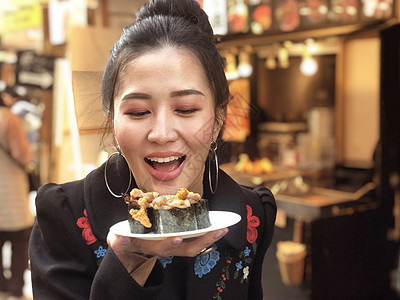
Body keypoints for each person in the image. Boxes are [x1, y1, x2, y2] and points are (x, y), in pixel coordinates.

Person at [29, 0, 277, 299]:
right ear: (113, 120)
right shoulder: (64, 216)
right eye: (137, 112)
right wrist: (129, 260)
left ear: (218, 118)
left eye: (185, 109)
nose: (161, 134)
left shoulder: (251, 214)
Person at [0, 89, 34, 299]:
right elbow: (22, 154)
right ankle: (14, 288)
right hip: (8, 186)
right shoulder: (8, 118)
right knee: (19, 240)